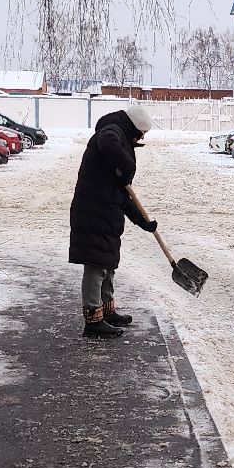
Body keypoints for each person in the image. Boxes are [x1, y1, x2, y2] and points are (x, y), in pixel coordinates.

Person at [69, 103, 157, 339]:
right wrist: (126, 165)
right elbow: (107, 142)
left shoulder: (121, 137)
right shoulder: (112, 130)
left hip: (106, 213)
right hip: (93, 211)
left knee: (107, 266)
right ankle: (93, 320)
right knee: (96, 266)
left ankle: (107, 311)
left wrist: (143, 221)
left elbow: (123, 194)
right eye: (142, 134)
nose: (141, 139)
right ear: (135, 129)